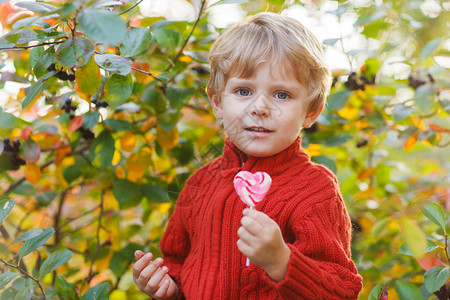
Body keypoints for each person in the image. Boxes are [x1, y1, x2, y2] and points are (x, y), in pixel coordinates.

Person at [132, 12, 363, 299]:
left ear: (311, 111)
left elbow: (340, 290)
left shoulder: (315, 191)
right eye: (243, 90)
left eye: (281, 95)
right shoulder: (200, 184)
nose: (260, 107)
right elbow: (177, 261)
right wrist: (168, 288)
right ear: (217, 102)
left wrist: (282, 261)